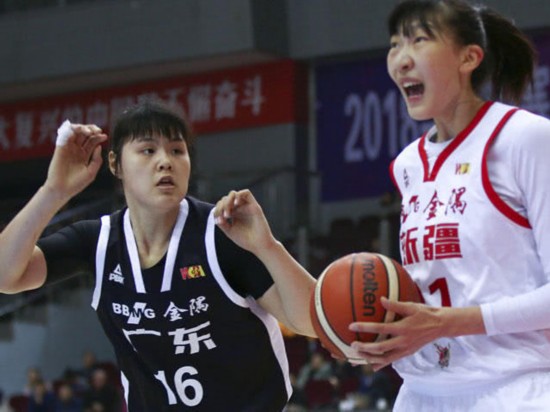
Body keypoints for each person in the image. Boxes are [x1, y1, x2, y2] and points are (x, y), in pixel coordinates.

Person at [0, 100, 316, 411]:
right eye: (148, 150)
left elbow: (312, 323)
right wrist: (54, 191)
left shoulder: (222, 232)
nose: (165, 161)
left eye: (177, 150)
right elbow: (6, 277)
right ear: (115, 164)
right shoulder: (97, 241)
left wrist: (268, 246)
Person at [349, 0, 550, 410]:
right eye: (394, 45)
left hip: (515, 389)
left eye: (419, 41)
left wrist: (444, 323)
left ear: (468, 58)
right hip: (421, 393)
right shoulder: (407, 165)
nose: (401, 59)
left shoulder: (524, 139)